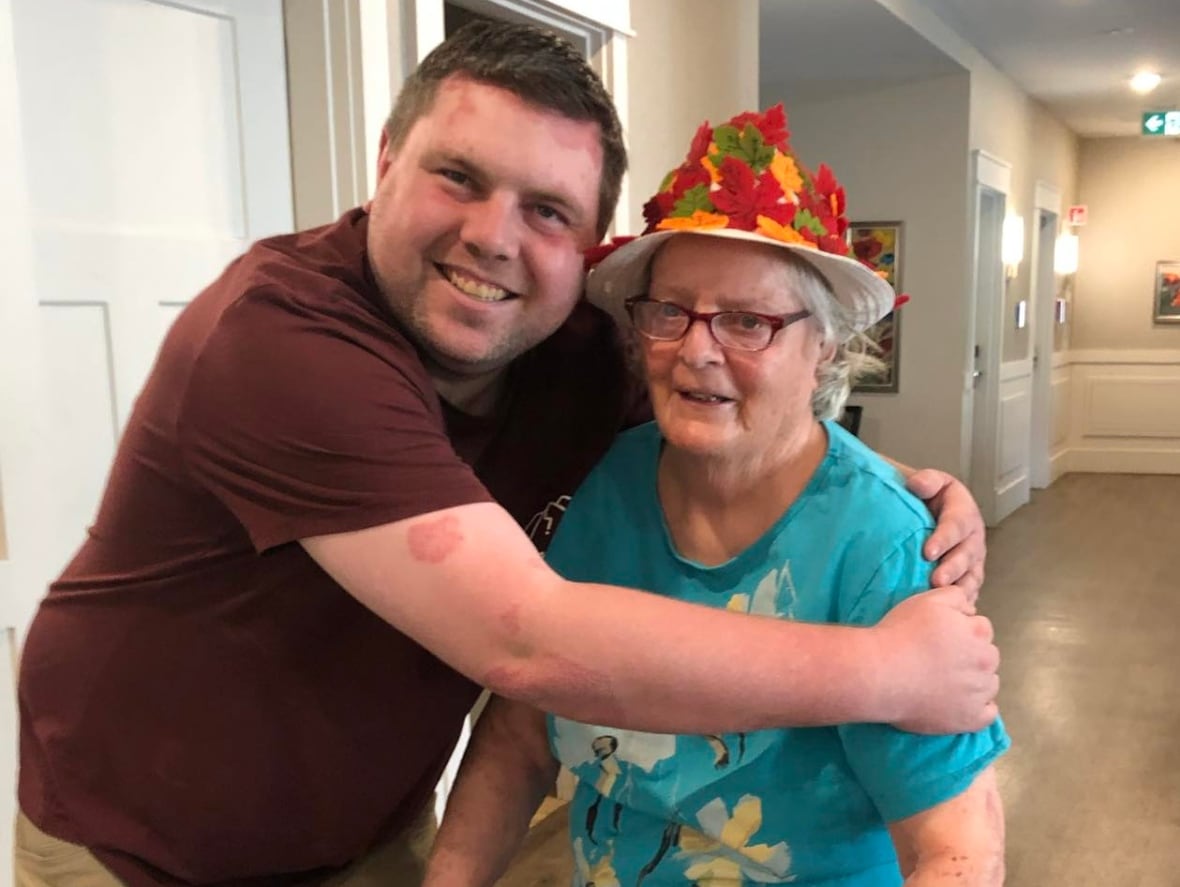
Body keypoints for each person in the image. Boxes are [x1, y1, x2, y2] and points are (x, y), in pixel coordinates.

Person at [16, 22, 996, 887]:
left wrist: (902, 495)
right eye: (459, 176)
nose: (493, 238)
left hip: (370, 832)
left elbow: (745, 413)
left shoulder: (575, 356)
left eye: (547, 209)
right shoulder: (281, 339)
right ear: (388, 155)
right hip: (136, 846)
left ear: (584, 246)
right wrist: (885, 667)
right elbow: (527, 645)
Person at [420, 105, 1007, 887]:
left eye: (747, 321)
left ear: (823, 344)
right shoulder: (602, 488)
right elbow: (521, 737)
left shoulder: (889, 549)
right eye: (671, 311)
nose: (696, 350)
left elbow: (958, 852)